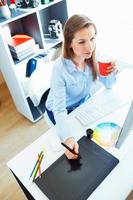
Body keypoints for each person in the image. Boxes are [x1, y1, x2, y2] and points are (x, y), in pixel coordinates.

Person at [45, 14, 118, 159]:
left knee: (98, 137)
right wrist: (68, 138)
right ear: (69, 43)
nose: (90, 46)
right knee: (77, 142)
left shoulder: (94, 56)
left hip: (82, 103)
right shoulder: (59, 69)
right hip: (60, 109)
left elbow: (109, 86)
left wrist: (112, 72)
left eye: (92, 39)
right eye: (82, 41)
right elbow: (59, 110)